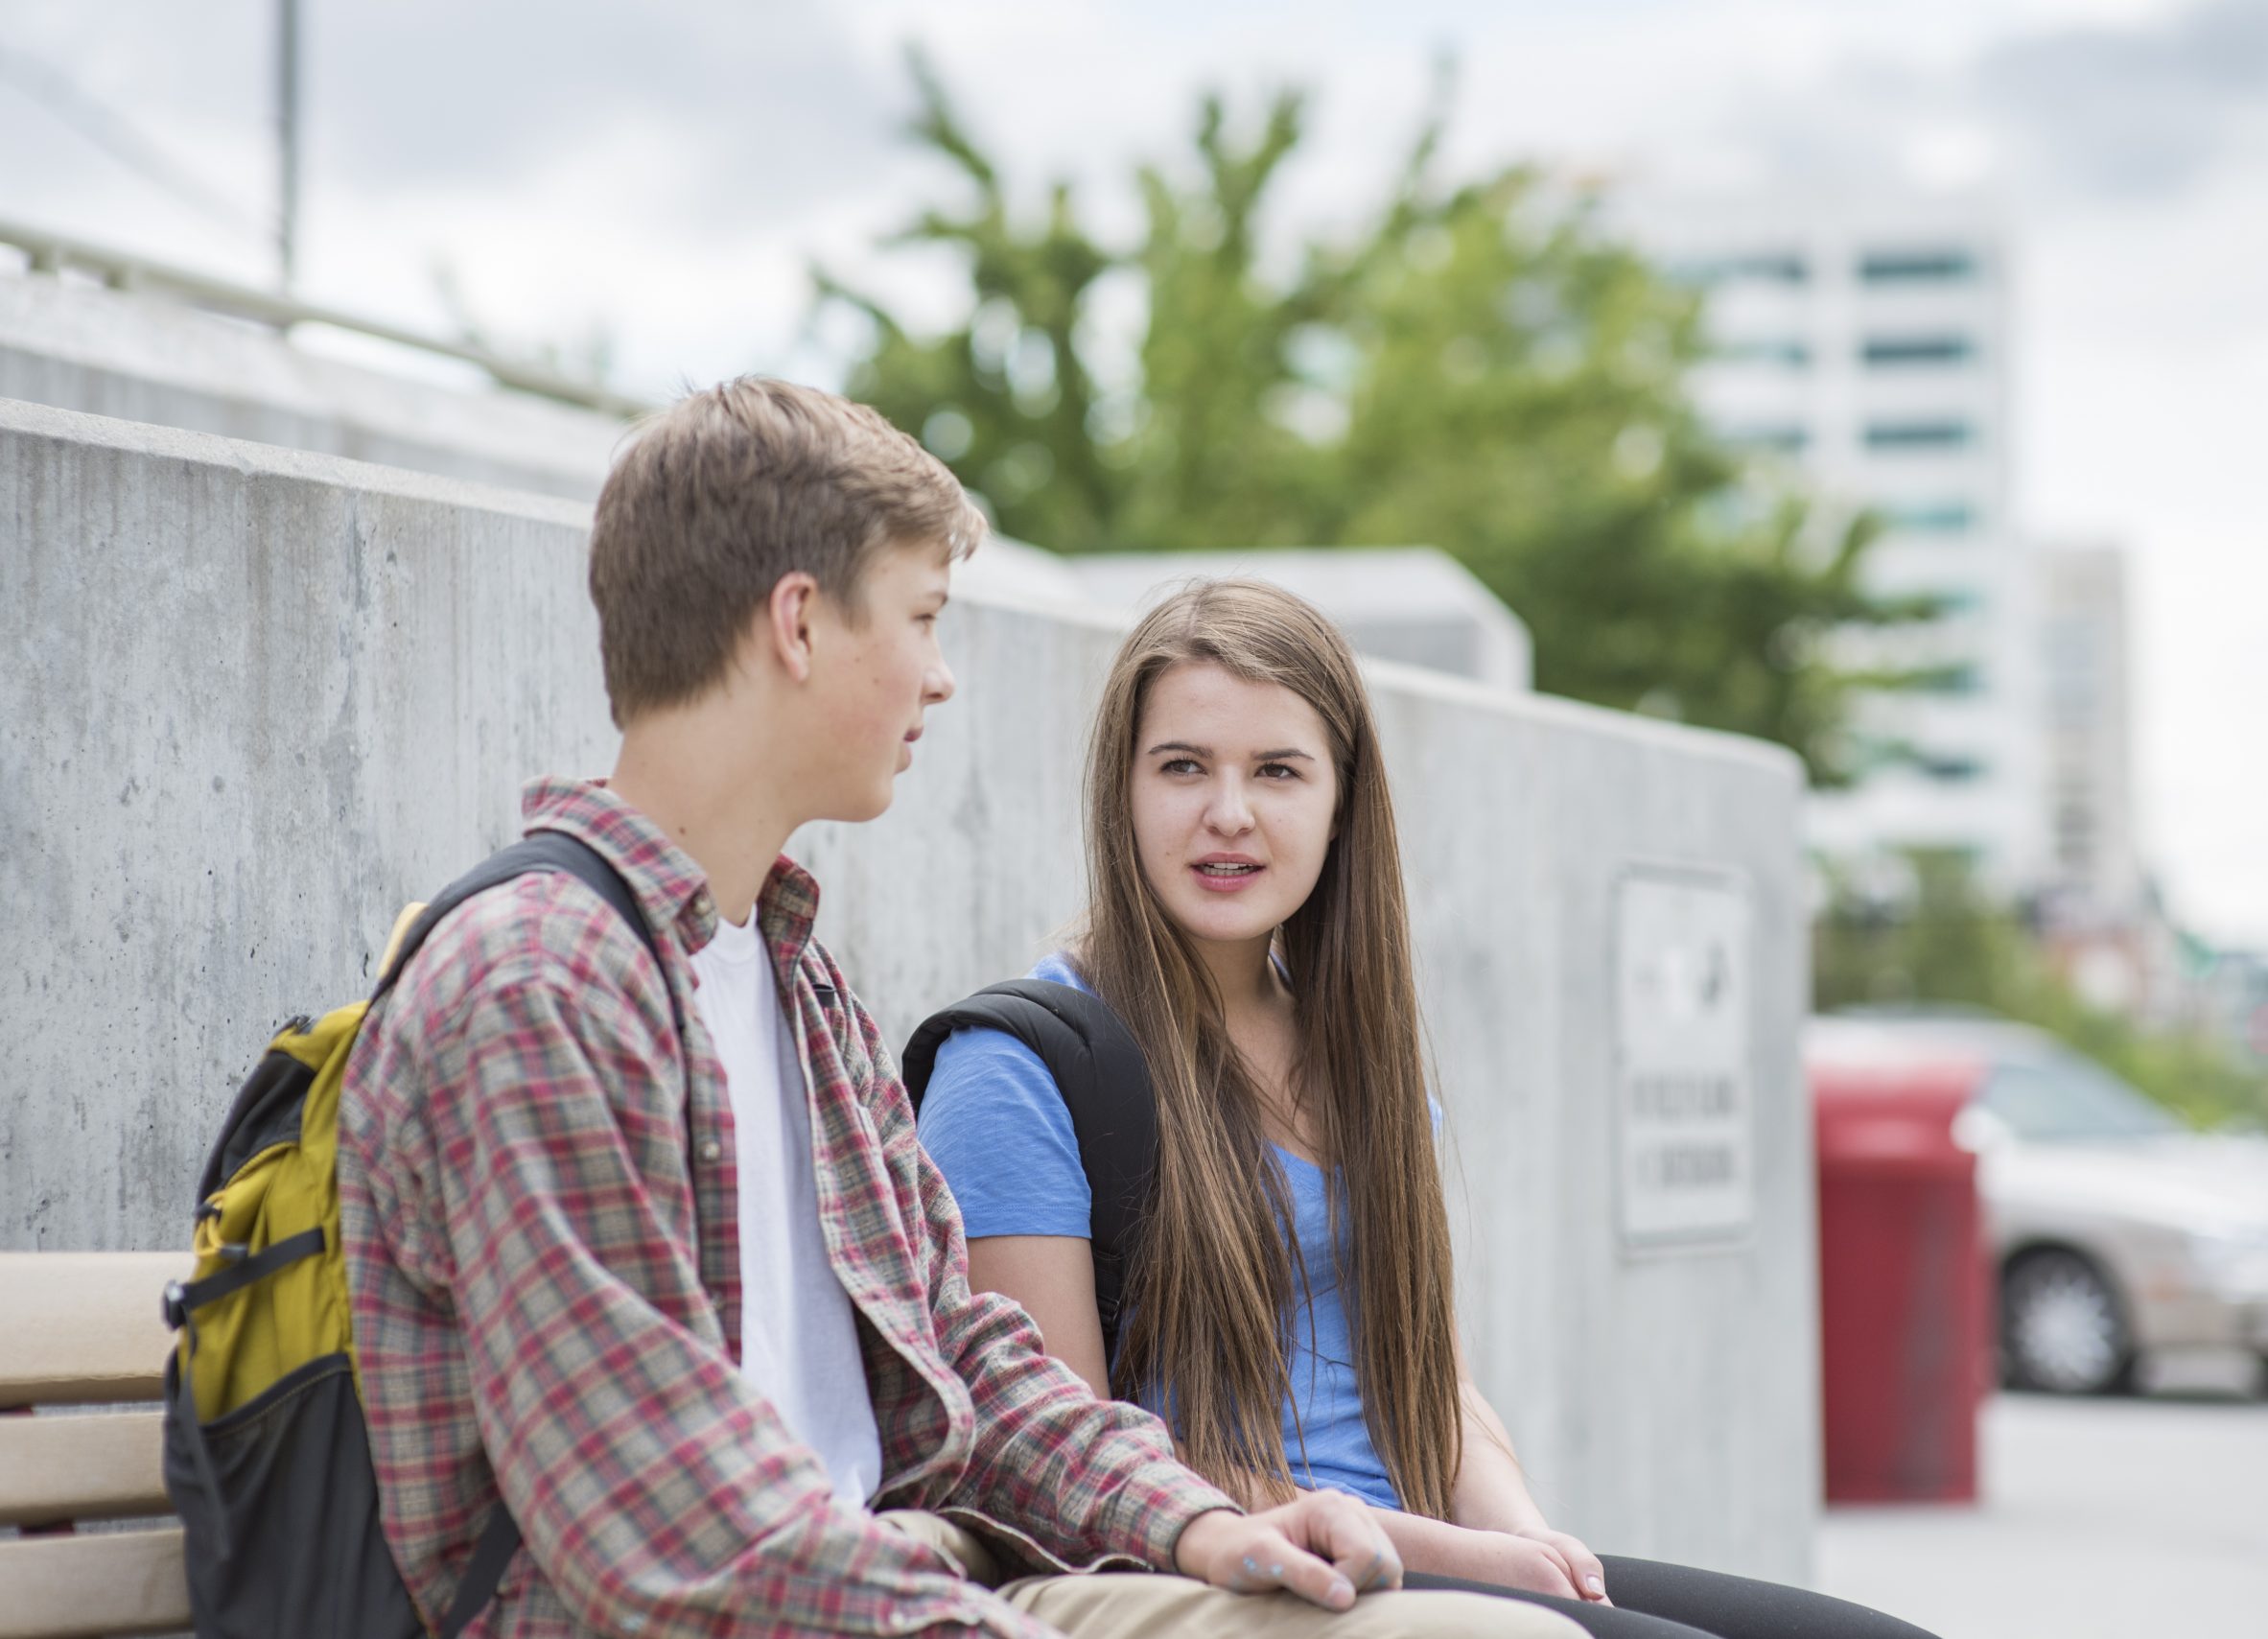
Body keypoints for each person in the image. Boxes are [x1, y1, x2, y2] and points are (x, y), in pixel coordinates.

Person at [336, 382, 1578, 1639]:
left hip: (913, 1570)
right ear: (800, 624)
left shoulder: (792, 982)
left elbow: (971, 1367)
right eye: (924, 618)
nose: (940, 678)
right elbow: (670, 1533)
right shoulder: (535, 987)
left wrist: (1206, 1526)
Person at [913, 579, 1939, 1639]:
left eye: (1277, 769)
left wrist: (1535, 1549)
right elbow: (1065, 1466)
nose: (1230, 811)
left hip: (1414, 1555)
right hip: (1214, 1568)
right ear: (1120, 793)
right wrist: (1456, 1556)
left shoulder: (1356, 1055)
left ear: (1340, 802)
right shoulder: (1018, 1065)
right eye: (1182, 766)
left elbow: (1437, 1389)